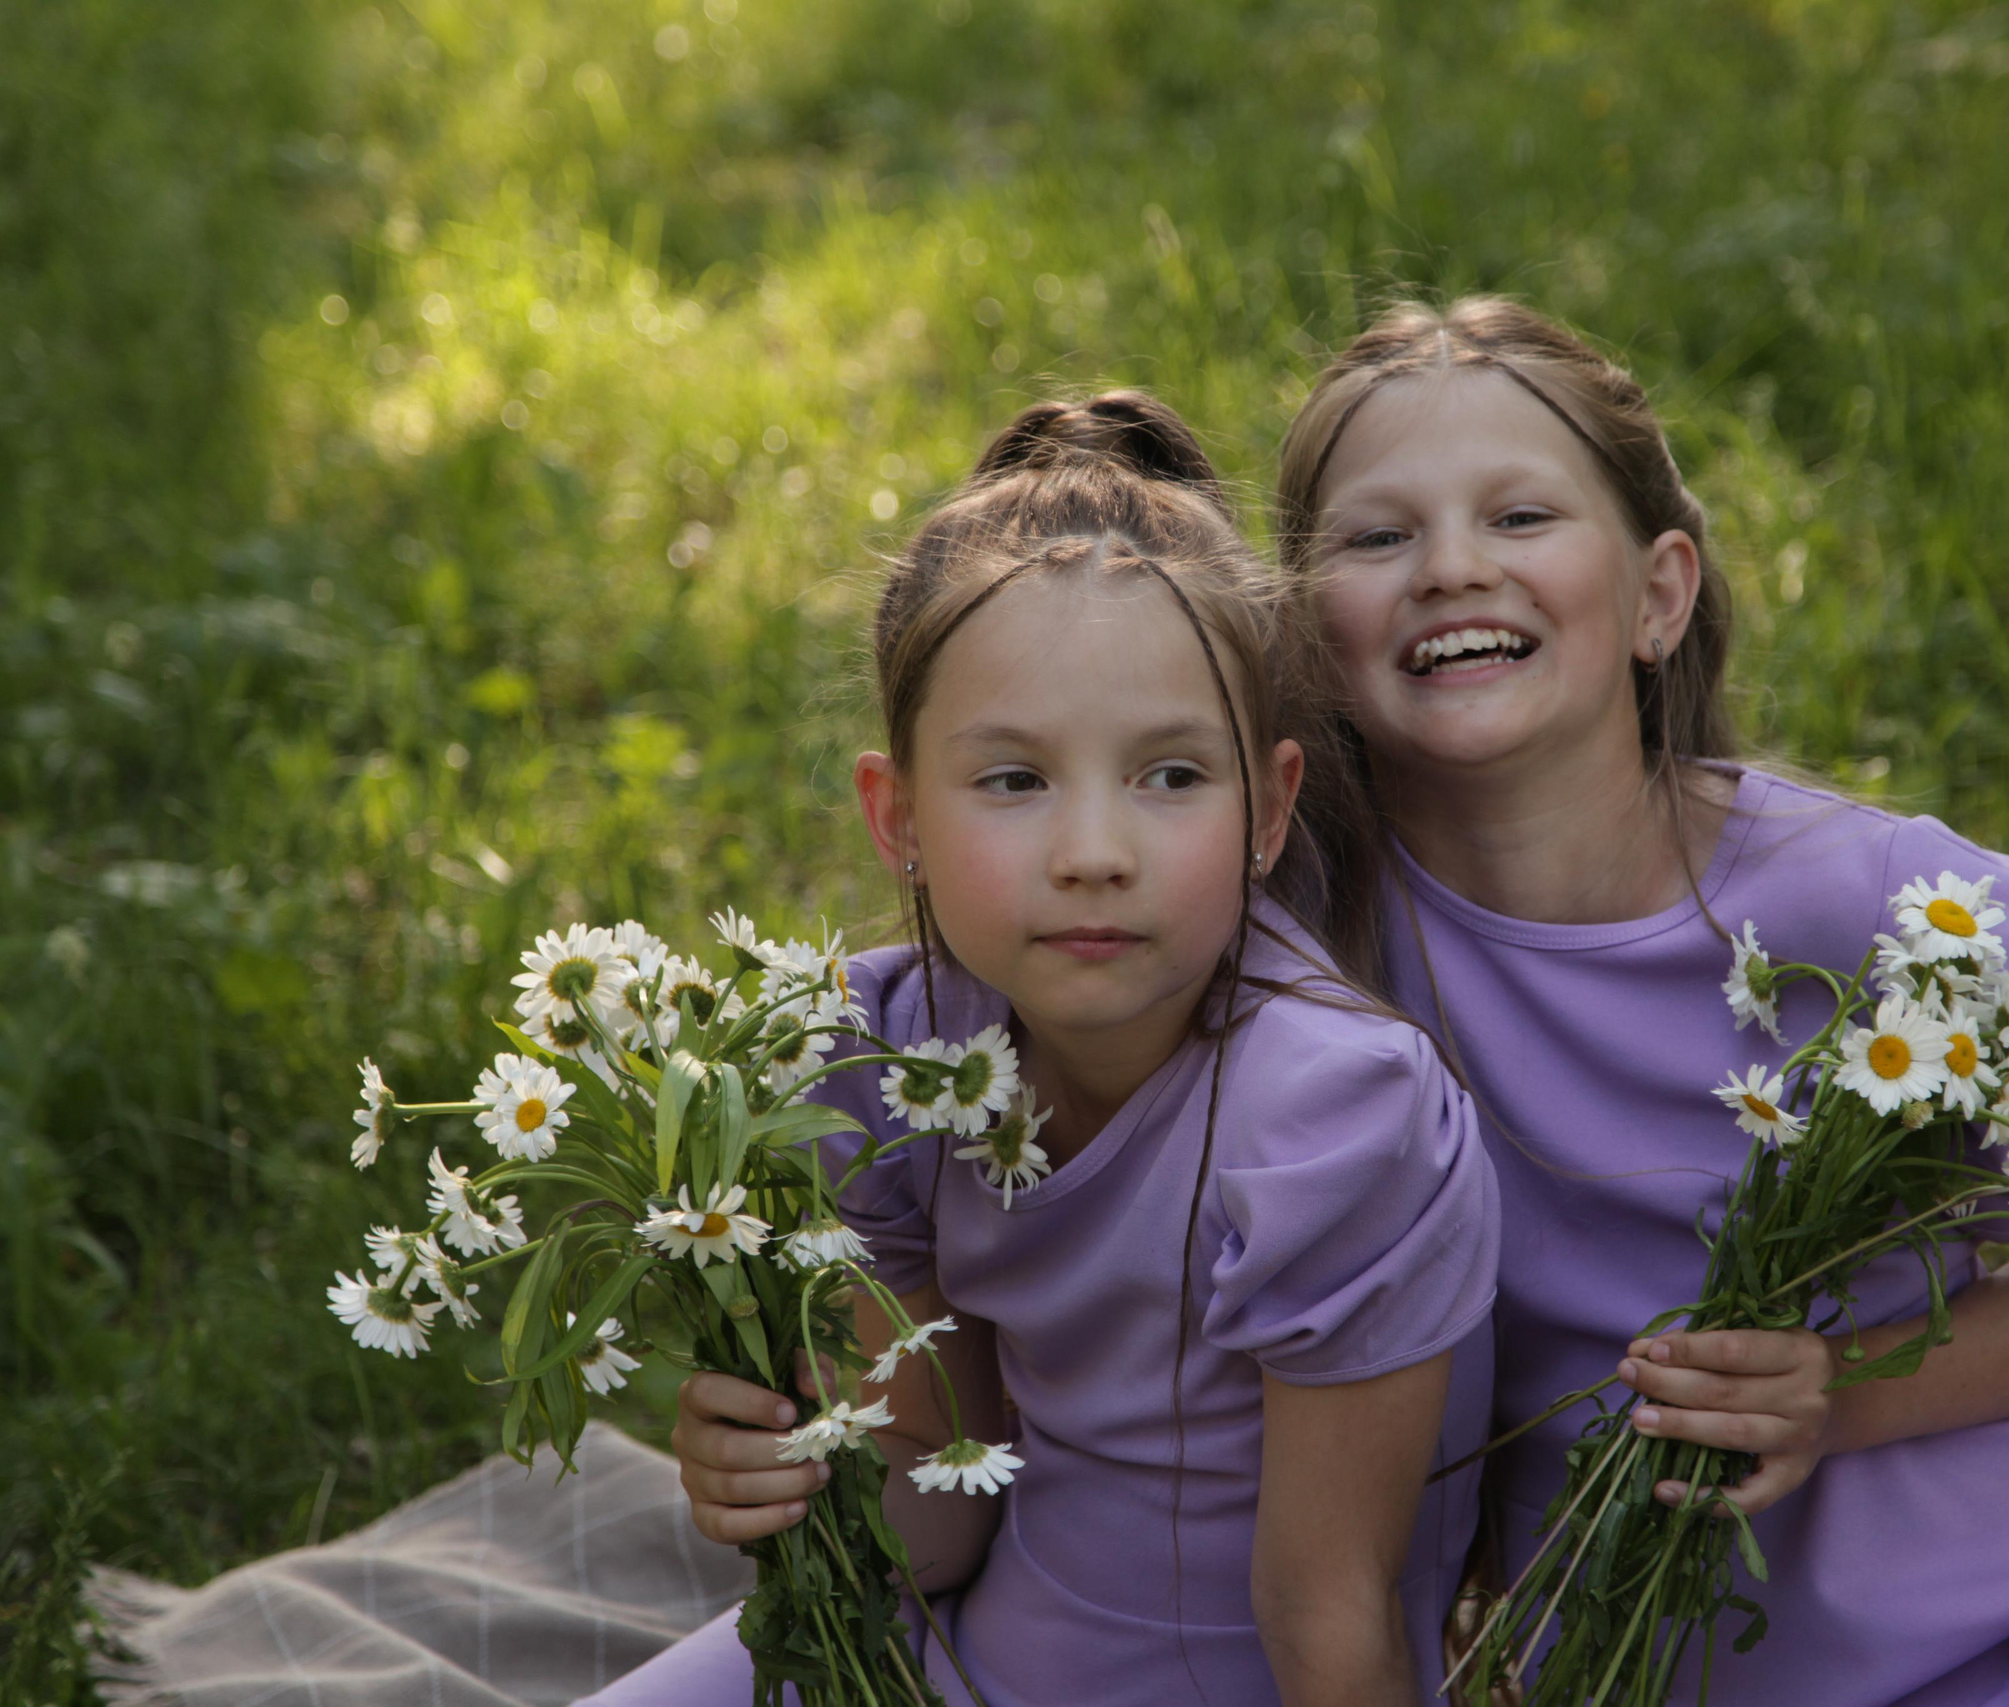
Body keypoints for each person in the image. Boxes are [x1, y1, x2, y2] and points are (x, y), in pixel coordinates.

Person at [1272, 297, 2009, 1705]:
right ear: (1305, 632)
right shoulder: (1315, 967)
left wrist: (1839, 1391)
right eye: (1377, 536)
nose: (1451, 567)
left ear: (1660, 594)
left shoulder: (1880, 915)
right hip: (1663, 1662)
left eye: (1522, 517)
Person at [601, 393, 1499, 1707]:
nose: (1093, 852)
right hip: (976, 1648)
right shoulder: (885, 1057)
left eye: (1172, 776)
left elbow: (1329, 1608)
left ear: (1270, 809)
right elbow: (945, 1510)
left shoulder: (1328, 1118)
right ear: (895, 816)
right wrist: (797, 1477)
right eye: (1014, 780)